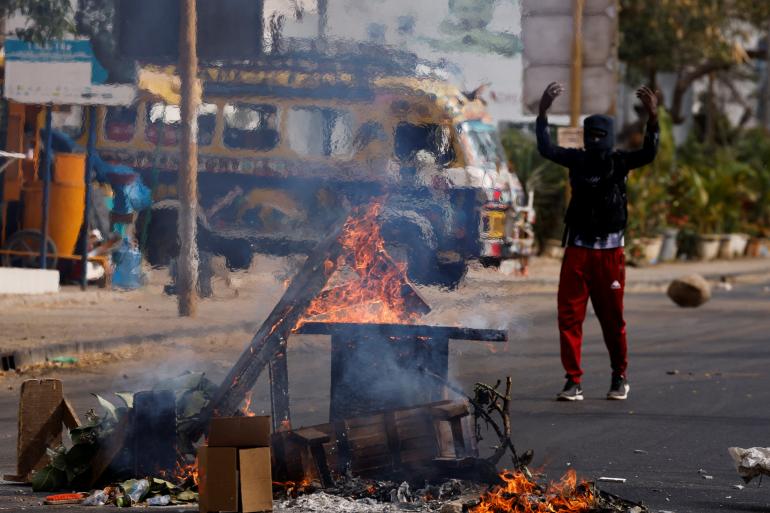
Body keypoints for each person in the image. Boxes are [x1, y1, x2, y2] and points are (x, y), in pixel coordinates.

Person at [536, 82, 659, 401]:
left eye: (599, 136)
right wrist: (543, 111)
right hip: (577, 252)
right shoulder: (576, 160)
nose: (595, 142)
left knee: (613, 320)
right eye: (591, 136)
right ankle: (572, 381)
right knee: (568, 317)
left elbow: (650, 152)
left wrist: (653, 117)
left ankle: (619, 377)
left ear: (609, 136)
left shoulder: (619, 162)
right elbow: (545, 148)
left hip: (609, 255)